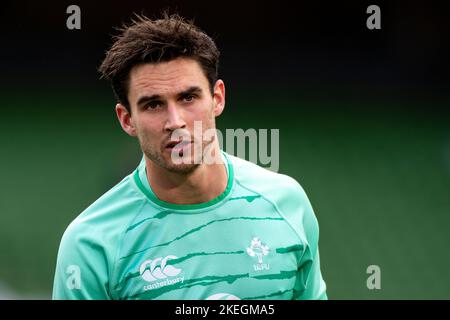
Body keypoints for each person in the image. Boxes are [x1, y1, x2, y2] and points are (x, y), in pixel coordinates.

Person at [52, 13, 327, 300]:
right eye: (153, 104)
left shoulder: (286, 204)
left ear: (217, 98)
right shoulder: (91, 243)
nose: (175, 121)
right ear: (126, 119)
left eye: (188, 98)